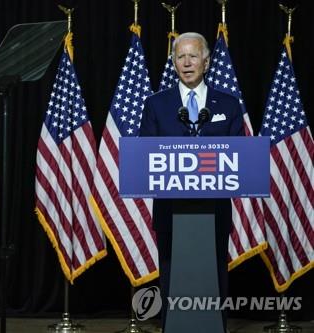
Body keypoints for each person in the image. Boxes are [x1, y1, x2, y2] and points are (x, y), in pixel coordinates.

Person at [139, 32, 244, 330]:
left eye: (193, 56)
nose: (187, 63)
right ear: (173, 63)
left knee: (214, 279)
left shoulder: (229, 104)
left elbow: (240, 157)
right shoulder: (156, 105)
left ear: (206, 62)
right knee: (173, 278)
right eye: (180, 57)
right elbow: (145, 156)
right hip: (171, 212)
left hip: (215, 212)